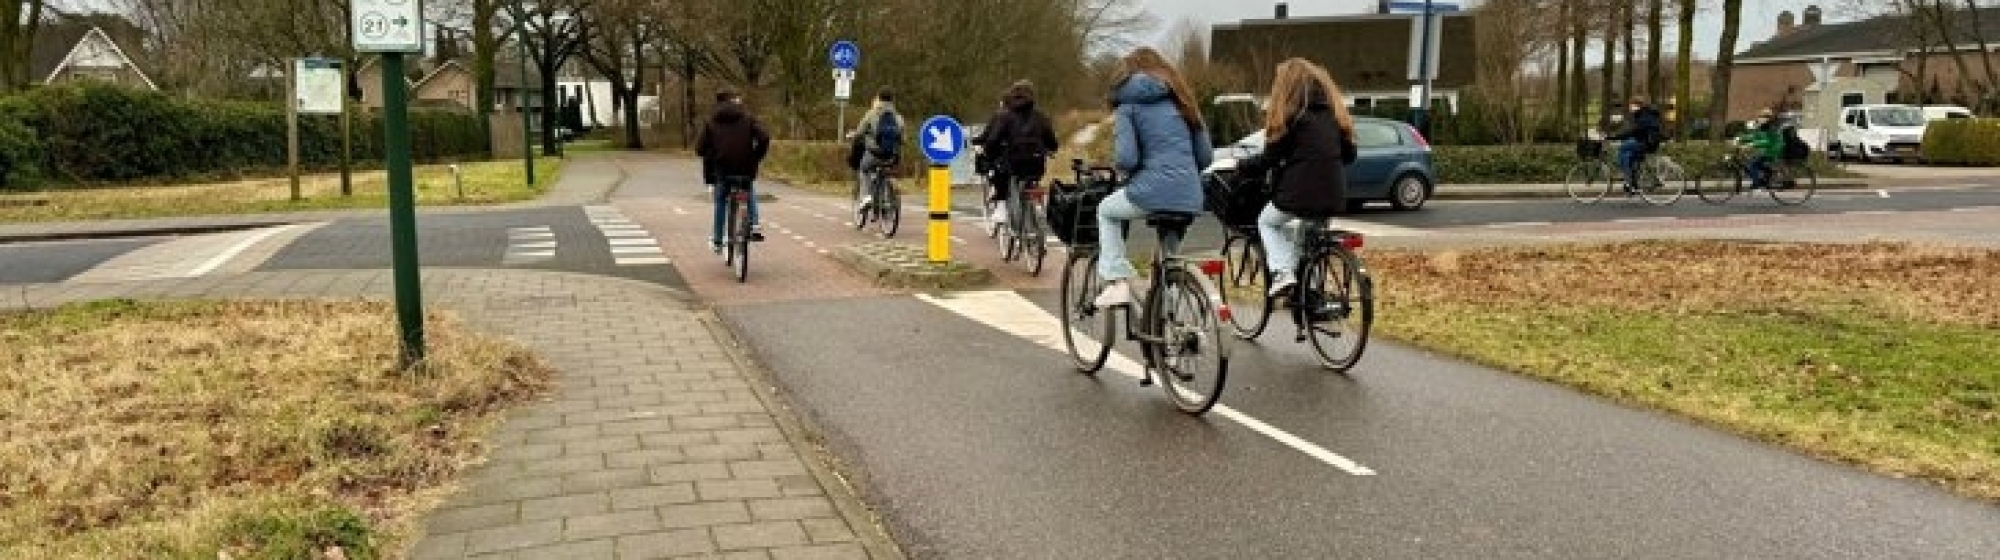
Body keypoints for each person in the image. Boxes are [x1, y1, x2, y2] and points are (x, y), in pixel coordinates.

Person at [1093, 47, 1214, 308]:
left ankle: (1116, 280)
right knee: (1168, 261)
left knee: (1106, 211)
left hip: (1152, 189)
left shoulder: (1128, 106)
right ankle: (1170, 320)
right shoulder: (1184, 101)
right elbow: (1205, 158)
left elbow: (1127, 159)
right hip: (1190, 195)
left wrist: (1126, 171)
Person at [1237, 59, 1358, 297]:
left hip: (1298, 194)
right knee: (1307, 240)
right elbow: (1350, 155)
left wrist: (1244, 167)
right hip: (1333, 194)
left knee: (1267, 222)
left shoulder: (1292, 117)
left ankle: (1282, 273)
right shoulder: (1334, 116)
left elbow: (1269, 158)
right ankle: (1310, 291)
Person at [972, 81, 1059, 228]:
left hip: (1012, 163)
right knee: (1032, 180)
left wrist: (989, 153)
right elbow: (1052, 142)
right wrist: (1049, 149)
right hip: (1036, 163)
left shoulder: (1004, 116)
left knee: (1000, 174)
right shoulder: (1041, 117)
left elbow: (993, 139)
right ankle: (1036, 208)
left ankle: (1001, 207)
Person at [696, 88, 771, 253]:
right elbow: (764, 137)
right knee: (748, 188)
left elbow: (700, 149)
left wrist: (714, 154)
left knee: (721, 200)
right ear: (734, 101)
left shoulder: (711, 121)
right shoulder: (748, 118)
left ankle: (717, 240)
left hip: (723, 170)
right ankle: (755, 225)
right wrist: (756, 156)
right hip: (745, 167)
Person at [846, 89, 906, 211]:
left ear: (878, 98)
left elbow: (860, 132)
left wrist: (852, 135)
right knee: (887, 171)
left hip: (875, 154)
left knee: (864, 169)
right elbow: (903, 139)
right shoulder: (899, 118)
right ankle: (887, 196)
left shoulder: (871, 114)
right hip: (892, 156)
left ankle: (867, 197)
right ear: (893, 100)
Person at [1607, 96, 1664, 193]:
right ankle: (1630, 175)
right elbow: (1633, 131)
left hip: (1647, 143)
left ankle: (1628, 180)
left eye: (1632, 105)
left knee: (1622, 148)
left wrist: (1614, 137)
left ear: (1638, 106)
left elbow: (1633, 131)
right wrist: (1617, 135)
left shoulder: (1643, 116)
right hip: (1644, 140)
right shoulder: (1641, 114)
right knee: (1626, 147)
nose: (1630, 107)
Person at [1736, 108, 1784, 189]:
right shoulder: (1764, 126)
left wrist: (1752, 144)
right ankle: (1768, 175)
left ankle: (1756, 182)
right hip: (1768, 149)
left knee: (1752, 165)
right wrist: (1739, 138)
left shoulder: (1771, 127)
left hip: (1773, 149)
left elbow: (1767, 141)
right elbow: (1755, 136)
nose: (1761, 118)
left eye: (1764, 117)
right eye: (1761, 116)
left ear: (1769, 118)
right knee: (1757, 162)